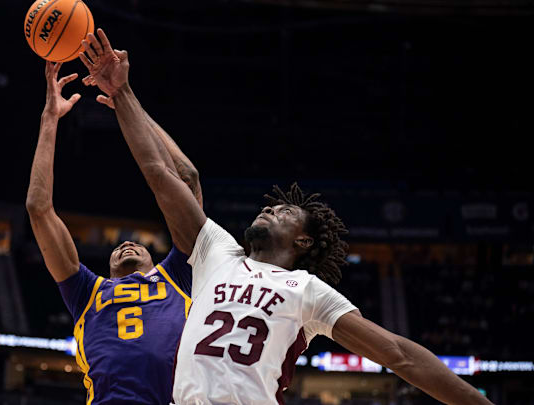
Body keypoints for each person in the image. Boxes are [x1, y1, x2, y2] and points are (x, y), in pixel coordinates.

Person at [78, 28, 494, 405]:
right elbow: (161, 173)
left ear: (303, 241)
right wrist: (123, 92)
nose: (269, 207)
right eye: (271, 205)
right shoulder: (217, 252)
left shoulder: (308, 291)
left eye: (284, 211)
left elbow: (401, 356)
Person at [25, 61, 202, 404]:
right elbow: (38, 208)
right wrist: (50, 118)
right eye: (120, 245)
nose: (126, 244)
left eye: (136, 243)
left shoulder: (179, 275)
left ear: (154, 259)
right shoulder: (85, 291)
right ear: (106, 266)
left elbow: (187, 179)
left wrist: (128, 103)